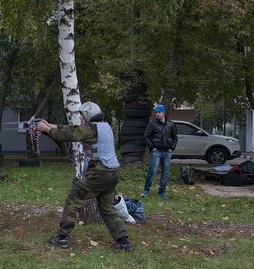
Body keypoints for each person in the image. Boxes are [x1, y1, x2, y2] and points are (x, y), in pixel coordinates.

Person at [37, 102, 132, 252]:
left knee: (73, 201)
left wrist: (46, 129)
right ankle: (123, 241)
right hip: (113, 173)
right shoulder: (104, 126)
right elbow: (74, 129)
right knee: (107, 210)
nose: (80, 119)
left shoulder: (90, 128)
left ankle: (62, 238)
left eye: (81, 116)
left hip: (99, 174)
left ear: (87, 116)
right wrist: (52, 125)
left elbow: (67, 135)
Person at [141, 104, 177, 200]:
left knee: (165, 173)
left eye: (159, 112)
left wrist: (172, 148)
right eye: (156, 112)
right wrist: (152, 147)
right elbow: (146, 136)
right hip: (156, 151)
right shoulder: (152, 124)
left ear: (163, 112)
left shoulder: (170, 124)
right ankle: (146, 190)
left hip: (167, 152)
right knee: (152, 171)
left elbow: (175, 138)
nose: (157, 114)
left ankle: (162, 192)